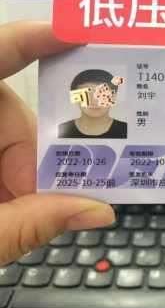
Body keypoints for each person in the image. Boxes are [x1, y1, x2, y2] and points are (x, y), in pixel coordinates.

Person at [0, 21, 116, 266]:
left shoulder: (123, 130)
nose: (94, 101)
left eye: (102, 93)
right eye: (86, 94)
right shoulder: (62, 134)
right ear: (74, 98)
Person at [58, 69, 127, 139]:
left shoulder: (126, 130)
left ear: (114, 97)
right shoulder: (61, 130)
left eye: (102, 94)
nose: (94, 101)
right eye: (87, 95)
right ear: (75, 97)